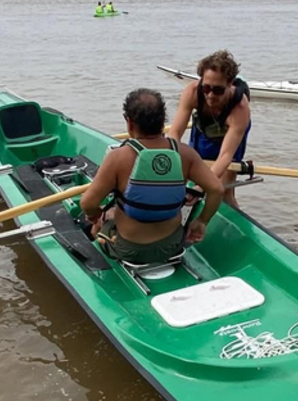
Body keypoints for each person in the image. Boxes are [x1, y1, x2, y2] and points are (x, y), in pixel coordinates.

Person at [80, 88, 224, 264]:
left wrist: (95, 215)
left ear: (130, 123)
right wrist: (202, 221)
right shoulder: (185, 153)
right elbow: (216, 189)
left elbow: (87, 203)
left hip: (129, 250)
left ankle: (100, 259)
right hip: (172, 245)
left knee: (102, 219)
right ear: (163, 121)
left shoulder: (118, 157)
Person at [167, 50, 251, 207]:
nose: (211, 95)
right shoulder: (192, 92)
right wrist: (169, 160)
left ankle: (232, 222)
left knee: (223, 189)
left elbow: (225, 156)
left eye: (218, 90)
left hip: (229, 135)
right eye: (206, 88)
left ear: (230, 82)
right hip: (204, 128)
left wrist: (203, 188)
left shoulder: (240, 109)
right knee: (194, 174)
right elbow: (175, 133)